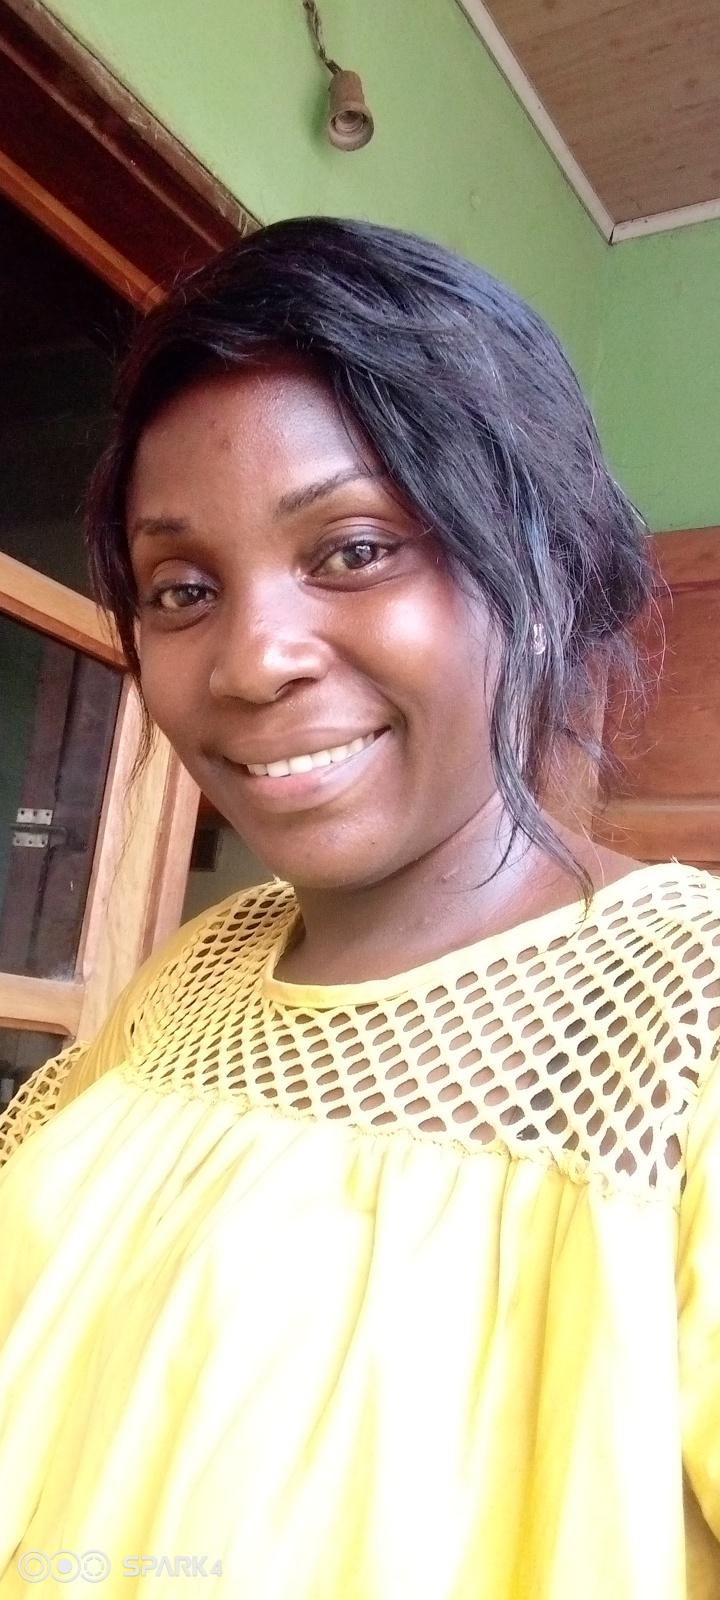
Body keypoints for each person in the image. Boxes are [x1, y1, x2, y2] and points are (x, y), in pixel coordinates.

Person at [0, 217, 718, 1600]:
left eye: (354, 550)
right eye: (183, 588)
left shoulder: (686, 1028)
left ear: (543, 570)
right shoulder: (194, 979)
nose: (252, 660)